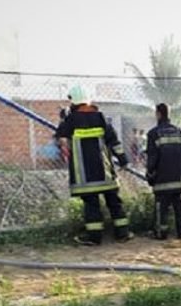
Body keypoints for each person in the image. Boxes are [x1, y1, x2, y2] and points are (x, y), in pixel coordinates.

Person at [55, 85, 134, 246]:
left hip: (85, 175)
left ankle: (94, 237)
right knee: (114, 201)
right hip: (104, 171)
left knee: (91, 205)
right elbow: (114, 142)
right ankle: (123, 233)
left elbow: (60, 136)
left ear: (74, 101)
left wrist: (63, 119)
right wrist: (123, 159)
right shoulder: (100, 117)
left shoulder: (71, 120)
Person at [146, 103, 181, 240]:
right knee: (180, 209)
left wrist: (150, 174)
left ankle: (161, 234)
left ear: (158, 114)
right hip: (179, 181)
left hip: (161, 182)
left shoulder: (153, 134)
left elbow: (152, 158)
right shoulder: (179, 132)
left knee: (161, 209)